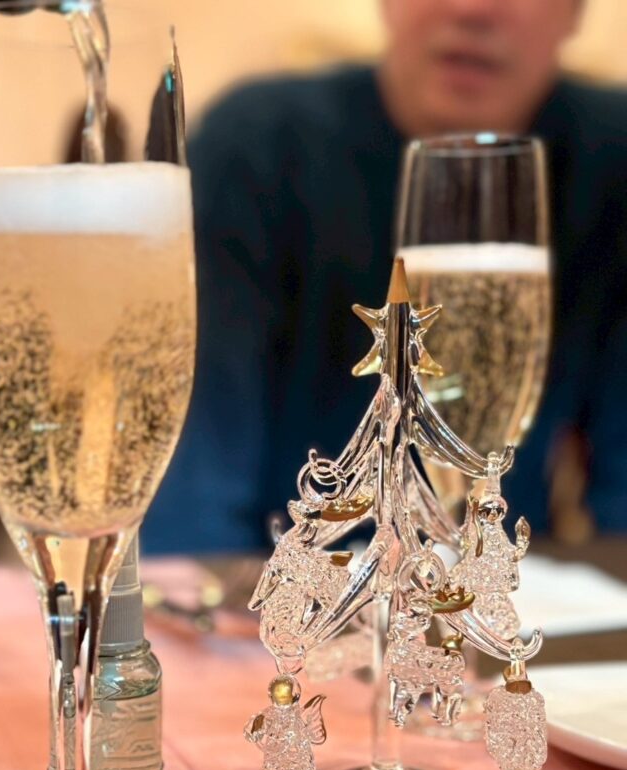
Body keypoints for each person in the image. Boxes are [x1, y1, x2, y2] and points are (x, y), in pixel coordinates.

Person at [143, 0, 627, 554]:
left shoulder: (612, 162)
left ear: (575, 13)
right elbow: (189, 515)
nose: (472, 8)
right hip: (277, 582)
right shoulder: (256, 146)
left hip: (503, 580)